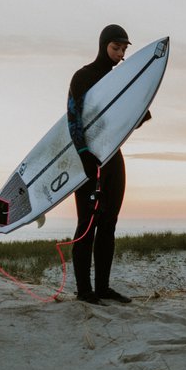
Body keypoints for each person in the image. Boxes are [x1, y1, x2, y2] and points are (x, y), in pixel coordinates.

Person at [67, 24, 142, 305]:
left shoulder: (121, 79)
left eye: (124, 49)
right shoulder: (83, 76)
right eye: (115, 47)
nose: (120, 54)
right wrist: (84, 153)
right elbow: (73, 118)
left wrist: (139, 114)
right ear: (103, 46)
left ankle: (103, 288)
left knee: (109, 223)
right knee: (87, 223)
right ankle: (84, 290)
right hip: (89, 157)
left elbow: (122, 120)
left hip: (113, 157)